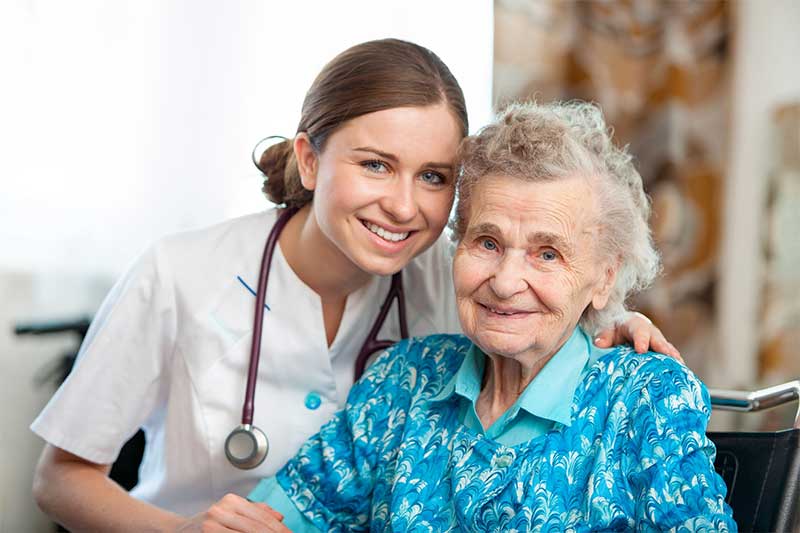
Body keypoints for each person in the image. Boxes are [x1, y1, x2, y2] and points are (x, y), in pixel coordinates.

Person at [30, 40, 678, 532]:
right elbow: (60, 480)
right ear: (310, 160)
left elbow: (539, 318)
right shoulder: (179, 274)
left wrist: (608, 329)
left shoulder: (458, 275)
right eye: (376, 165)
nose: (403, 206)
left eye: (433, 177)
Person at [248, 101, 736, 531]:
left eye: (548, 254)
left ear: (603, 278)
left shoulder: (644, 400)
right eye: (487, 242)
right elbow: (273, 520)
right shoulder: (403, 379)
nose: (504, 282)